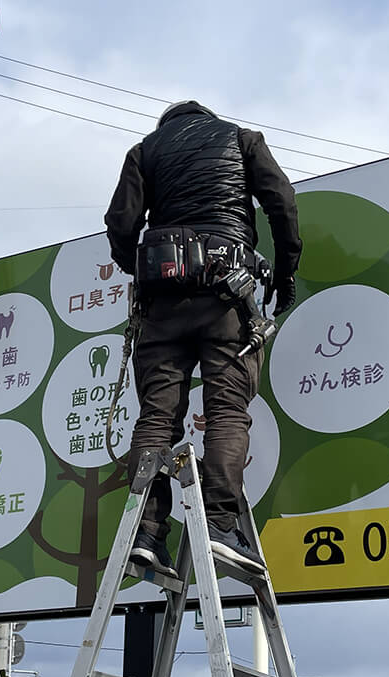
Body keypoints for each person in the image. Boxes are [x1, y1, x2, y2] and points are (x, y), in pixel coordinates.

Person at [105, 101, 300, 576]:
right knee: (227, 411)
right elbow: (282, 203)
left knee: (155, 418)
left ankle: (147, 533)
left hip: (161, 306)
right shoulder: (241, 139)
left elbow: (121, 224)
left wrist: (146, 270)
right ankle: (220, 528)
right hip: (228, 298)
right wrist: (286, 275)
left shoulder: (144, 151)